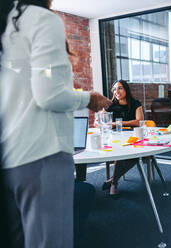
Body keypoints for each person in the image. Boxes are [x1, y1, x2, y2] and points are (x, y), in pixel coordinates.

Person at [0, 1, 112, 247]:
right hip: (42, 154)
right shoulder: (40, 19)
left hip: (11, 159)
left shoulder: (8, 22)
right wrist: (89, 98)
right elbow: (50, 94)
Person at [100, 79, 147, 197]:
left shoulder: (135, 104)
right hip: (114, 139)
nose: (117, 91)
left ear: (126, 89)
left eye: (120, 88)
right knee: (120, 152)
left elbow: (139, 121)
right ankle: (114, 183)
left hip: (133, 138)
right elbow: (100, 122)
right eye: (115, 89)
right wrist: (104, 122)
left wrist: (117, 124)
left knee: (133, 156)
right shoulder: (109, 105)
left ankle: (113, 181)